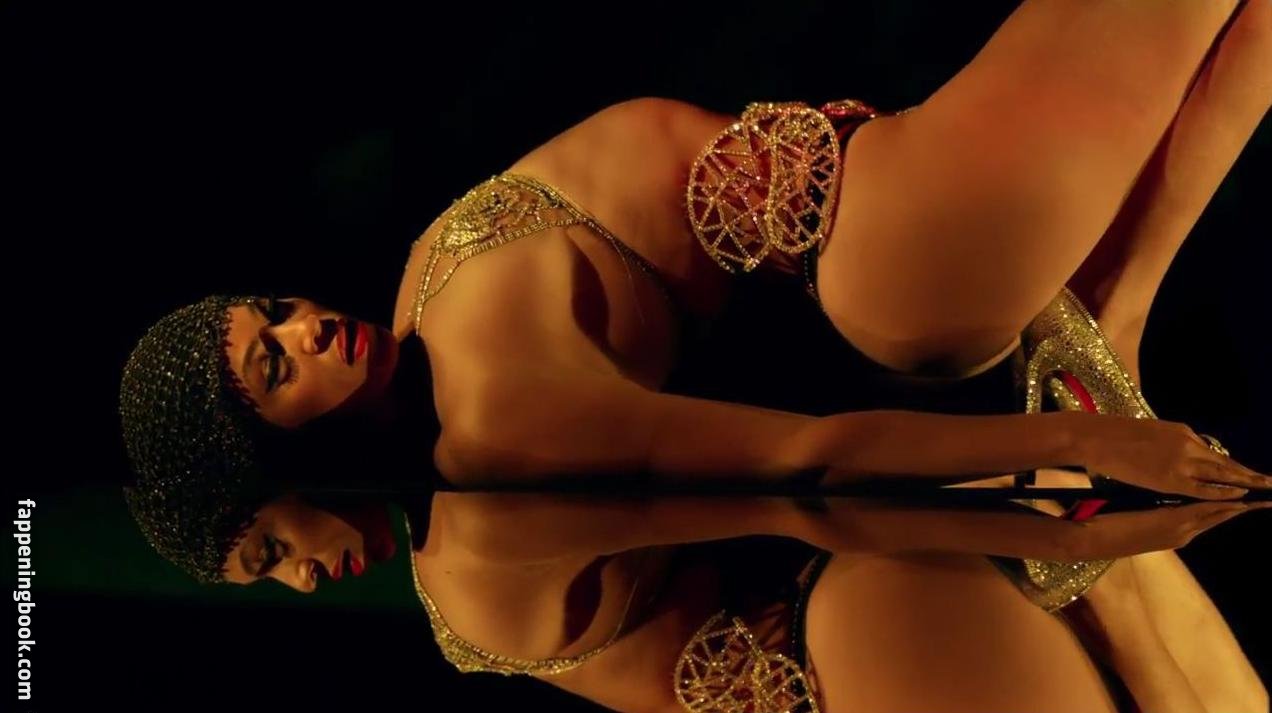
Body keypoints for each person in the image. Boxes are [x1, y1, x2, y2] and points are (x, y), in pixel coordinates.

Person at [119, 0, 1272, 710]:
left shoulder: (448, 375)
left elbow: (804, 471)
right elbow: (807, 470)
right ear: (270, 462)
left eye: (274, 318)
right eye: (278, 366)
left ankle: (1104, 354)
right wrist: (1071, 464)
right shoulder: (482, 470)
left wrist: (1086, 422)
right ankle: (1099, 418)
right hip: (874, 476)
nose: (308, 327)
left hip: (867, 295)